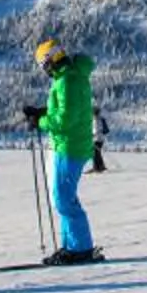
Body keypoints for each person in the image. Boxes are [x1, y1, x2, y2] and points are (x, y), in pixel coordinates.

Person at [26, 39, 99, 262]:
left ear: (49, 61)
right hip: (71, 144)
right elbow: (67, 109)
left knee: (64, 198)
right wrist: (43, 112)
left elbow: (65, 119)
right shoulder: (72, 76)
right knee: (63, 197)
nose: (44, 70)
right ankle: (72, 246)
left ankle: (80, 249)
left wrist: (40, 122)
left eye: (43, 65)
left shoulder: (66, 80)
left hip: (69, 145)